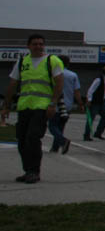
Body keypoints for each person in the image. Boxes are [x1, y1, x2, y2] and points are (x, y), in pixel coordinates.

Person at [2, 34, 64, 184]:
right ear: (28, 46)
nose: (38, 46)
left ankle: (34, 171)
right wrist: (6, 106)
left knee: (33, 137)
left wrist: (53, 104)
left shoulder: (52, 61)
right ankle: (27, 170)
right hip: (24, 106)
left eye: (41, 44)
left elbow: (59, 83)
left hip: (42, 106)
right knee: (22, 140)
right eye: (35, 44)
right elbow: (13, 84)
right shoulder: (22, 62)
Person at [48, 55, 83, 154]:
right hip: (67, 105)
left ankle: (63, 141)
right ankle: (55, 147)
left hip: (55, 104)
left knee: (52, 126)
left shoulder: (53, 74)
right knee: (60, 126)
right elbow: (76, 91)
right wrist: (80, 103)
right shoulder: (73, 75)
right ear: (68, 63)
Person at [85, 65, 105, 140]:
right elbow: (91, 90)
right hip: (95, 102)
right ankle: (87, 135)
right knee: (91, 118)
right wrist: (89, 100)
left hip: (102, 102)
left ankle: (98, 133)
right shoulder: (98, 79)